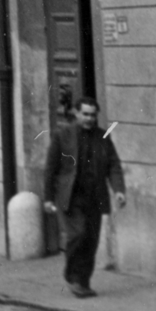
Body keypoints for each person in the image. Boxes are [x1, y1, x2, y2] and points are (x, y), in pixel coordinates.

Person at [43, 94, 126, 297]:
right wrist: (47, 198)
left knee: (91, 240)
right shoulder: (62, 135)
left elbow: (113, 165)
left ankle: (83, 282)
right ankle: (72, 276)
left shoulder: (103, 136)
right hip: (71, 197)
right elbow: (50, 169)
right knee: (77, 234)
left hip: (95, 196)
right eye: (85, 114)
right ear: (76, 113)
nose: (89, 119)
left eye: (92, 115)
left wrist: (119, 190)